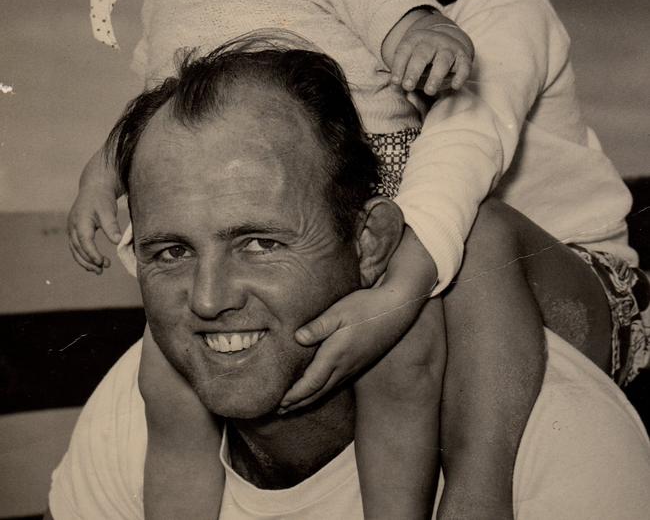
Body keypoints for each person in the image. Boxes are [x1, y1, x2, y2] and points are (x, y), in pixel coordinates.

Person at [68, 0, 475, 519]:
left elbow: (393, 9)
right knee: (165, 382)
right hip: (234, 209)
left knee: (403, 355)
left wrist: (423, 33)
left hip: (359, 194)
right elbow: (161, 100)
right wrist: (102, 171)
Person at [49, 42, 650, 520]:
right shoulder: (134, 411)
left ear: (369, 243)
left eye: (260, 243)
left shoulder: (556, 445)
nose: (209, 299)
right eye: (172, 251)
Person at [318, 0, 650, 513]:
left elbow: (468, 141)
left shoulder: (508, 11)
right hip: (443, 266)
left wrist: (398, 289)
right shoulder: (345, 9)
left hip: (576, 286)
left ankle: (479, 486)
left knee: (484, 227)